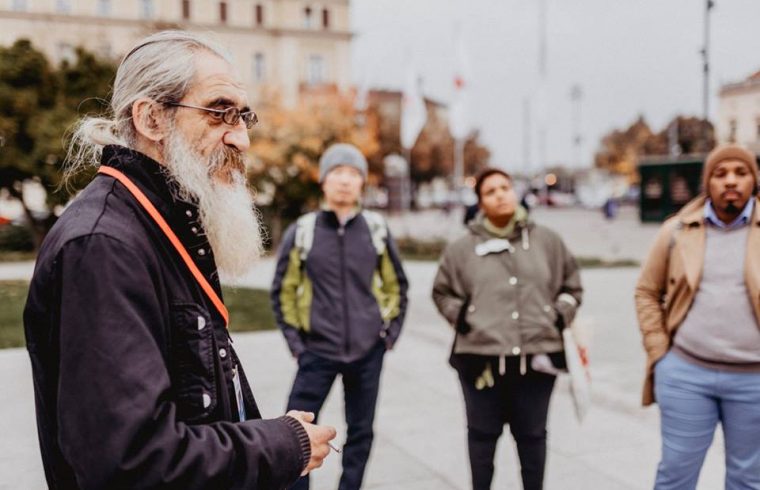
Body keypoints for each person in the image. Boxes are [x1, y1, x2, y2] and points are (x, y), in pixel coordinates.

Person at [23, 31, 336, 489]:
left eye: (244, 116)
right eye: (219, 112)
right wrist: (284, 445)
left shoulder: (158, 221)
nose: (242, 138)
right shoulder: (102, 245)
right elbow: (132, 461)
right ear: (151, 118)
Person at [432, 168, 582, 490]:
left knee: (533, 439)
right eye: (490, 191)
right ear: (480, 203)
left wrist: (560, 313)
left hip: (537, 360)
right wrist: (461, 316)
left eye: (505, 187)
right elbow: (441, 292)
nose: (500, 194)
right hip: (480, 360)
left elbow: (572, 286)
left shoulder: (547, 241)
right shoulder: (461, 249)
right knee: (482, 439)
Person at [271, 143, 409, 490]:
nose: (345, 181)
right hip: (316, 351)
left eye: (352, 174)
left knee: (361, 431)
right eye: (337, 173)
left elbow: (397, 286)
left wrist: (388, 336)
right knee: (297, 431)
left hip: (367, 351)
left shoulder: (376, 229)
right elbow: (283, 290)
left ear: (362, 182)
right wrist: (297, 343)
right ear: (323, 181)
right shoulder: (303, 231)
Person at [635, 143, 760, 490]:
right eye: (720, 174)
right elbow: (646, 291)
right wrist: (660, 353)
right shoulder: (676, 231)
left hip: (754, 381)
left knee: (749, 479)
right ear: (707, 182)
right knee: (675, 476)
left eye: (741, 172)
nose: (731, 181)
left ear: (754, 180)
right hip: (687, 375)